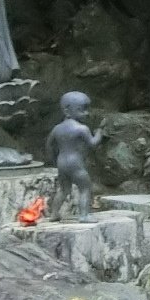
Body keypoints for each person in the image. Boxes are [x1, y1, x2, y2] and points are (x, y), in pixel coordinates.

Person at [47, 91, 102, 219]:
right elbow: (93, 143)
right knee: (85, 188)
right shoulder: (82, 129)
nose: (87, 113)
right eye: (82, 110)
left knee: (63, 189)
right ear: (67, 111)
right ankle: (84, 216)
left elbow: (49, 145)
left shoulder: (57, 128)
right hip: (75, 163)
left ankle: (54, 214)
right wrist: (99, 133)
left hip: (62, 162)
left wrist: (54, 160)